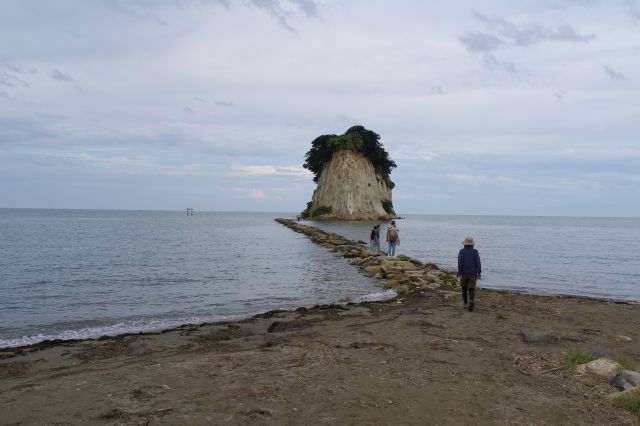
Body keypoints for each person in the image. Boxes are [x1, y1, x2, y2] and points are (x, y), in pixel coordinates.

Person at [457, 236, 481, 312]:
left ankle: (465, 304)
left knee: (464, 289)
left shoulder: (461, 251)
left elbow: (460, 263)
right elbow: (478, 263)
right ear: (472, 245)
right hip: (473, 274)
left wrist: (459, 272)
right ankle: (471, 301)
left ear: (465, 244)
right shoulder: (475, 252)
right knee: (471, 289)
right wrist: (479, 272)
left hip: (464, 274)